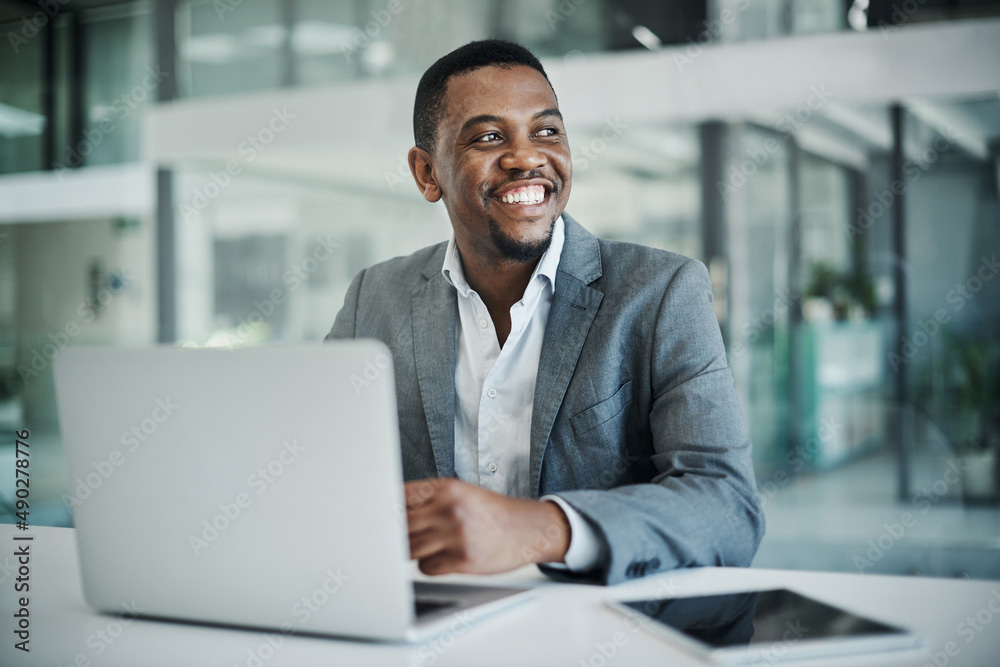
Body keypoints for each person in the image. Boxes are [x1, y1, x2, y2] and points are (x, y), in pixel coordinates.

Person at [325, 39, 764, 585]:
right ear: (426, 173)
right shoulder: (375, 297)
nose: (527, 156)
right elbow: (319, 469)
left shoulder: (661, 292)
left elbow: (727, 508)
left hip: (598, 631)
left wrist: (541, 529)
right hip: (428, 625)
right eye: (488, 137)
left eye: (546, 131)